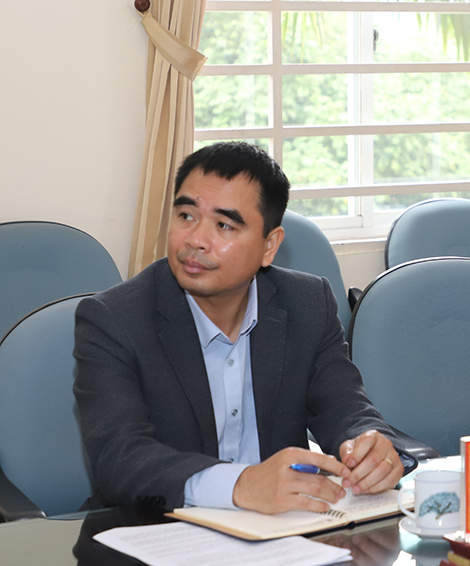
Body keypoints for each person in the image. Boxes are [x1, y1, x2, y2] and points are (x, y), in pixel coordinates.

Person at [74, 142, 411, 513]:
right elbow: (119, 459)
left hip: (281, 535)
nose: (196, 240)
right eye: (185, 216)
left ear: (270, 246)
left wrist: (367, 444)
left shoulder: (307, 302)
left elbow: (345, 406)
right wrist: (240, 484)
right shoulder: (114, 319)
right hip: (157, 531)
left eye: (223, 225)